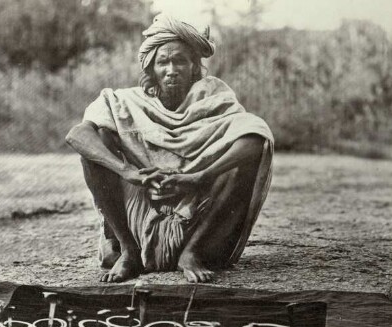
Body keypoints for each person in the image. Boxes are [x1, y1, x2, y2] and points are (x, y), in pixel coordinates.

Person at [65, 14, 274, 283]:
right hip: (138, 212)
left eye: (180, 61)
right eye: (163, 62)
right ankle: (129, 251)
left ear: (194, 68)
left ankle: (192, 253)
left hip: (199, 214)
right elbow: (78, 135)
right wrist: (129, 172)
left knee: (245, 151)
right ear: (150, 69)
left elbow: (256, 137)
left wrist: (200, 176)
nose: (172, 69)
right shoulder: (124, 102)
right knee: (99, 142)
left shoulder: (214, 98)